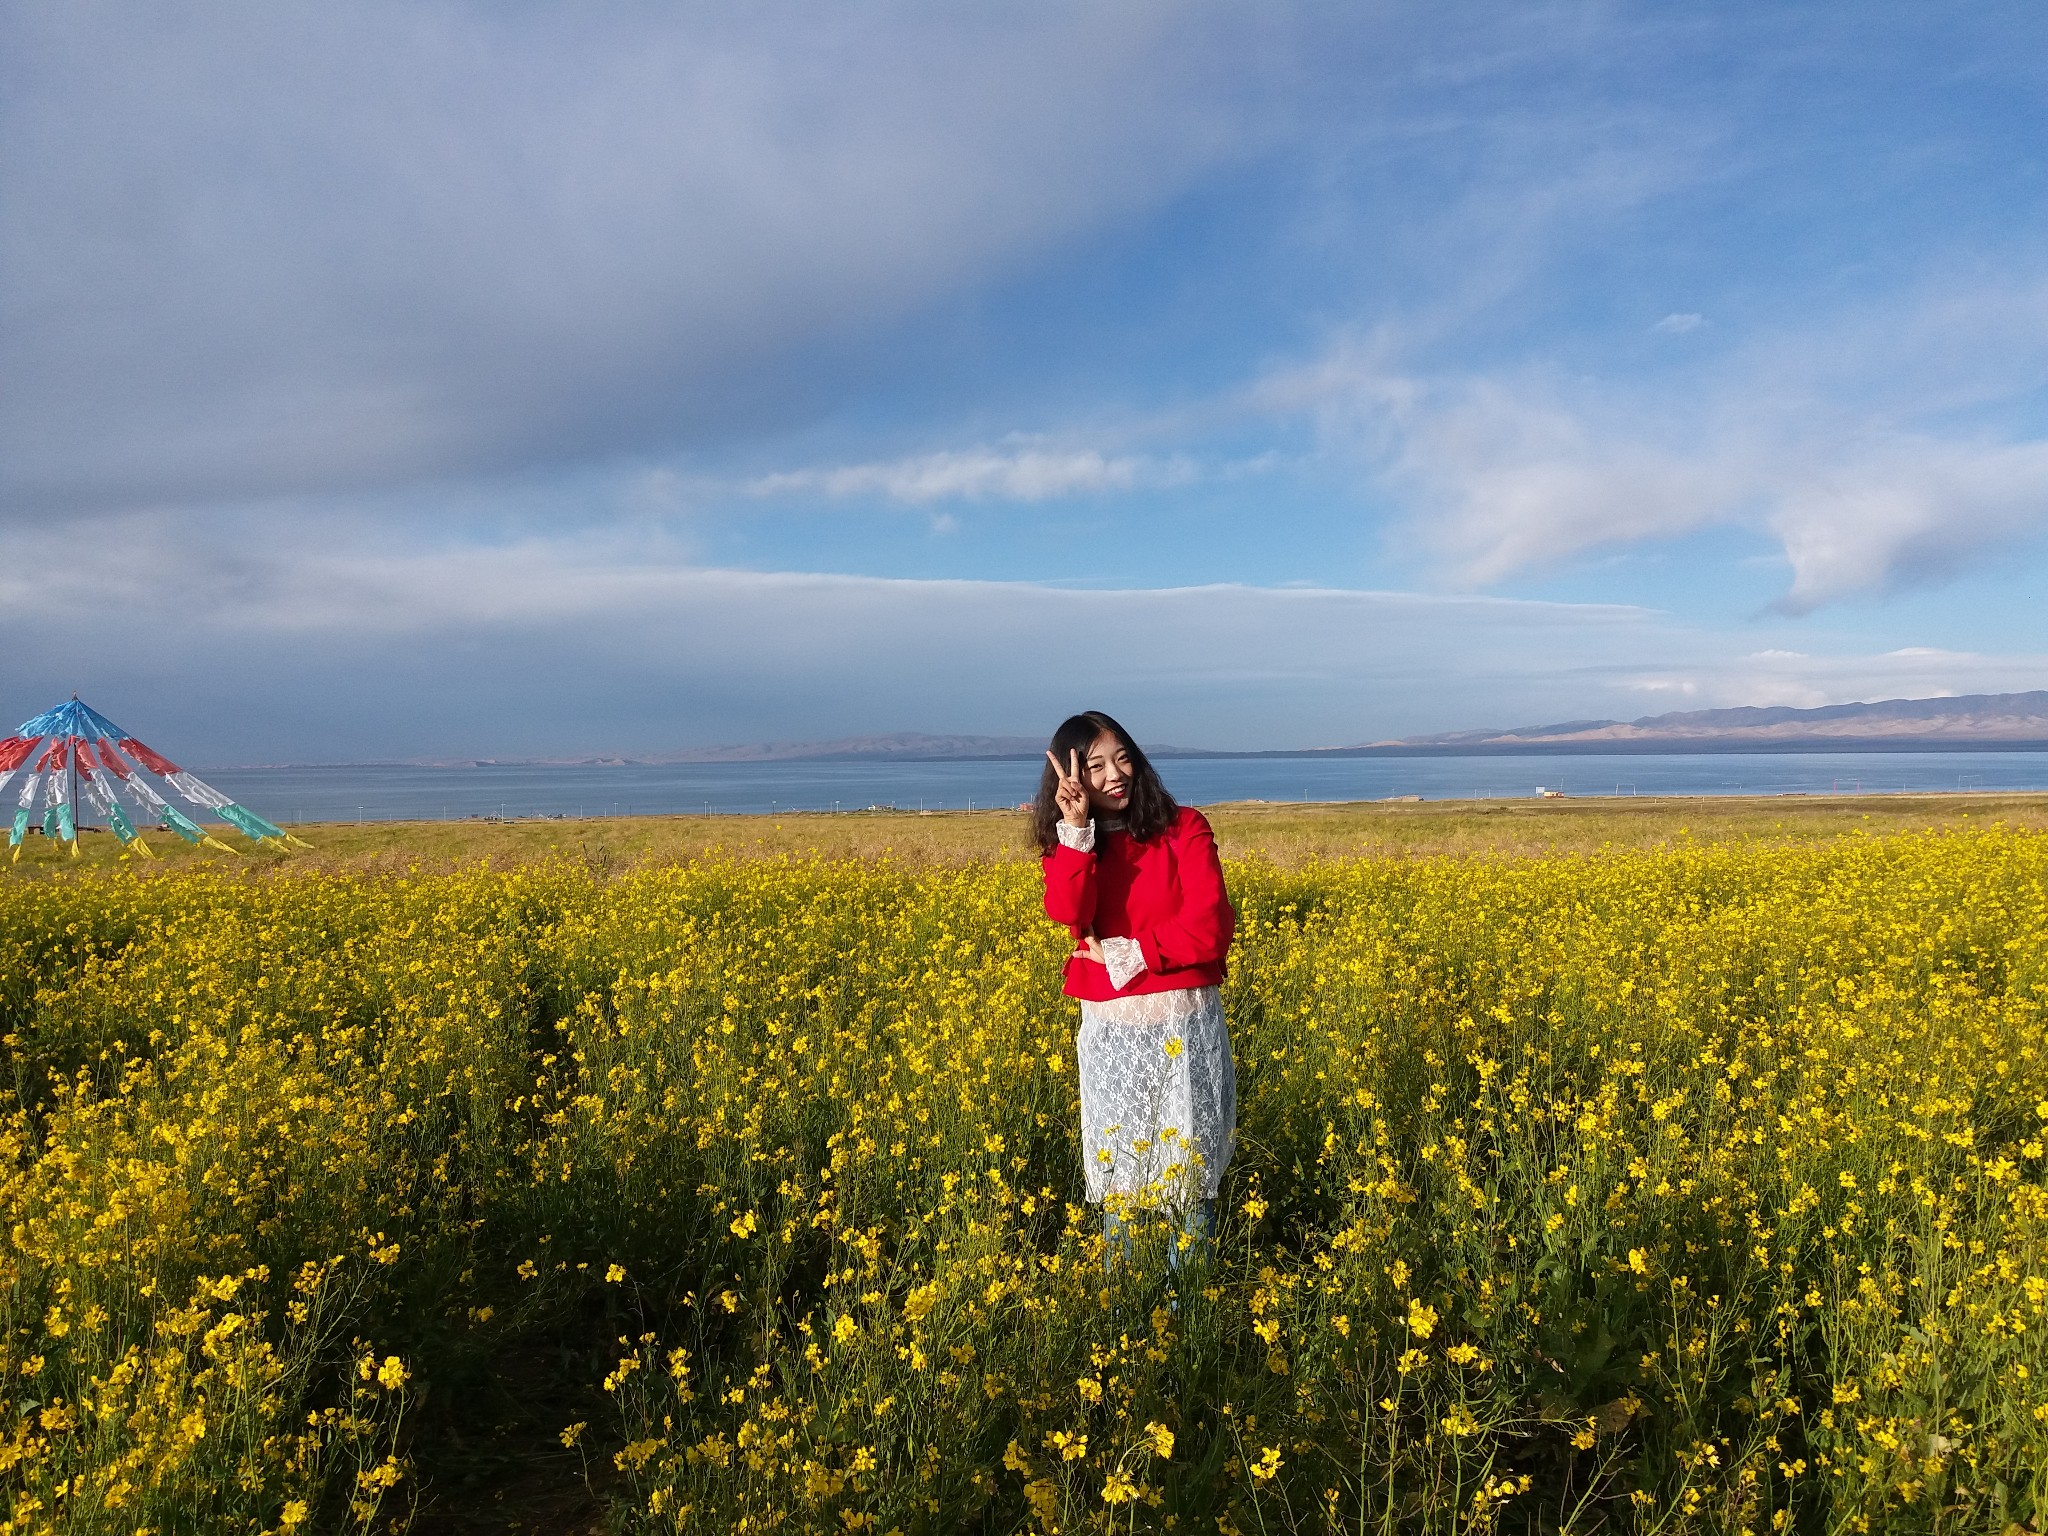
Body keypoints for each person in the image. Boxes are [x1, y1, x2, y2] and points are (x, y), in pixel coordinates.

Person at [1035, 710, 1237, 1275]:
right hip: (1113, 1030)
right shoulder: (1075, 847)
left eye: (1122, 757)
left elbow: (1211, 928)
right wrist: (1075, 834)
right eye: (1094, 766)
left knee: (1189, 1179)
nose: (1114, 774)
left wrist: (1129, 952)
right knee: (1120, 1173)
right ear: (1069, 781)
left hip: (1184, 1021)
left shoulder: (1185, 828)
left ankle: (1186, 1309)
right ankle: (1121, 1313)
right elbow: (1068, 914)